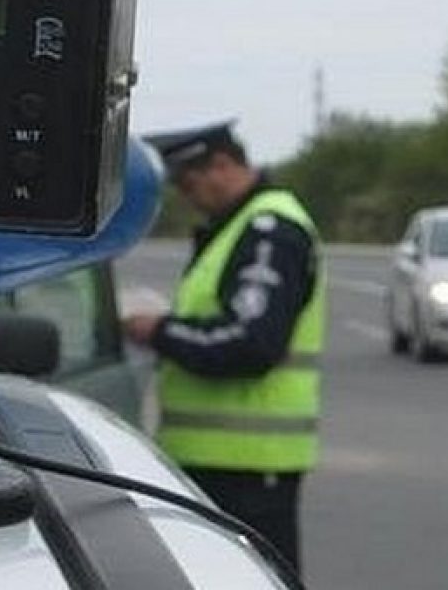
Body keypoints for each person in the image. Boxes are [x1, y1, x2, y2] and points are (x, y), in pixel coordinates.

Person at [122, 120, 326, 574]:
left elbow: (250, 342)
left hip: (247, 467)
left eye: (189, 183)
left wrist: (158, 331)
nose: (186, 196)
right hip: (224, 464)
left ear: (221, 165)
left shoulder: (269, 231)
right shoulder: (237, 227)